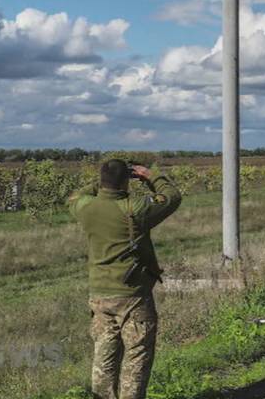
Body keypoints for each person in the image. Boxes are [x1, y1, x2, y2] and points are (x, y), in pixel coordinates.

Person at [68, 160, 182, 399]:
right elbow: (171, 197)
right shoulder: (136, 208)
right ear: (125, 181)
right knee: (136, 355)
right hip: (133, 295)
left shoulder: (85, 207)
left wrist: (100, 181)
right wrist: (150, 175)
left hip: (99, 295)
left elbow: (77, 195)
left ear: (102, 181)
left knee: (104, 355)